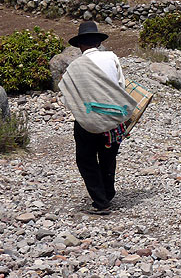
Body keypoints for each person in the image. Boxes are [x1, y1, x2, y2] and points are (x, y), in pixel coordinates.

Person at [59, 21, 134, 215]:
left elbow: (69, 99)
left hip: (88, 121)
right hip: (113, 119)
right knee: (108, 156)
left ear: (80, 45)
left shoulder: (74, 68)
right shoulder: (112, 57)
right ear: (98, 43)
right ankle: (108, 193)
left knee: (86, 159)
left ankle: (101, 202)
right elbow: (121, 85)